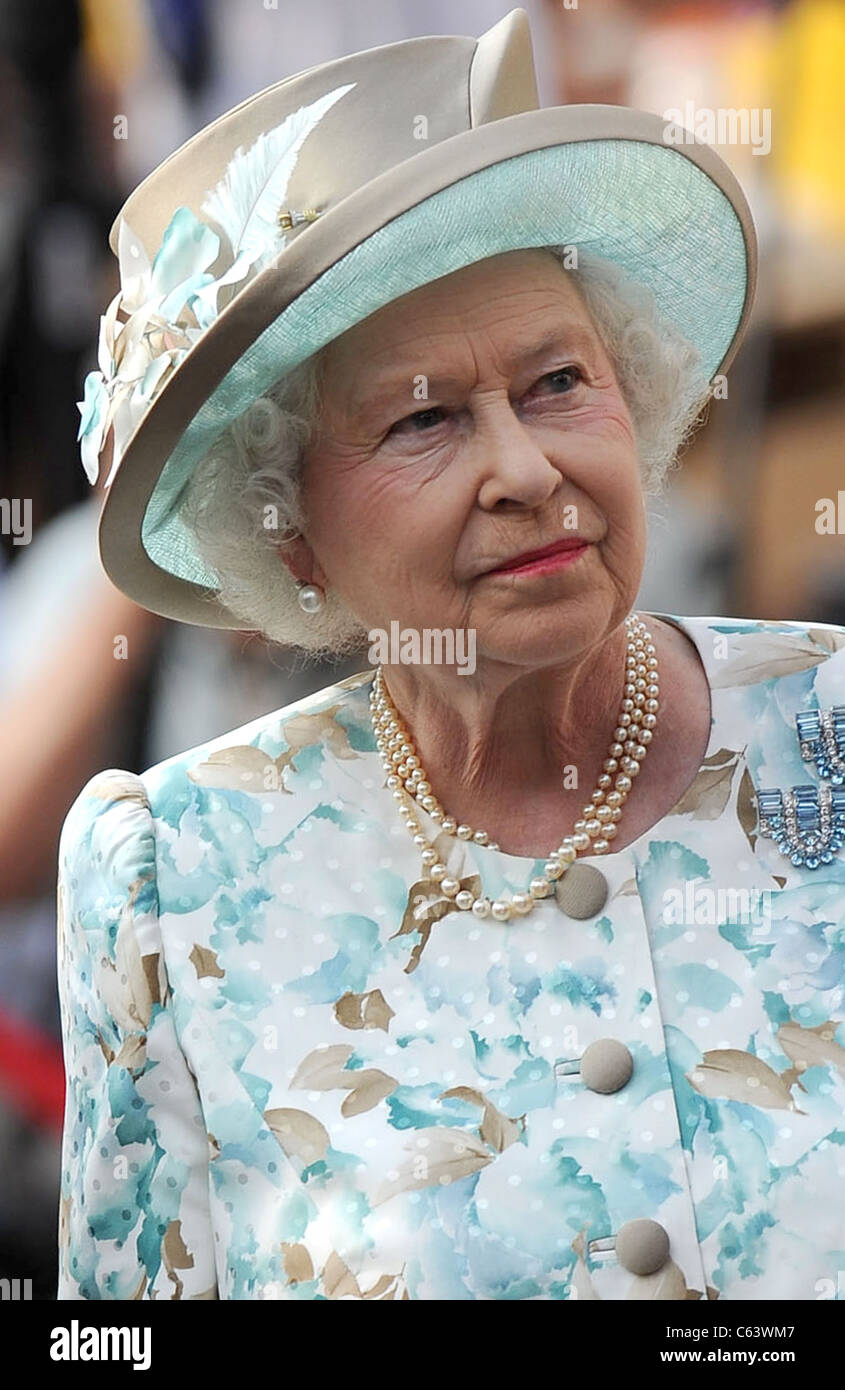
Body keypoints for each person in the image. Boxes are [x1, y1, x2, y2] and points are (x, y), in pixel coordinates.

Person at [56, 9, 845, 1301]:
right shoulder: (172, 879)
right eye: (424, 418)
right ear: (289, 528)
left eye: (555, 383)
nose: (529, 471)